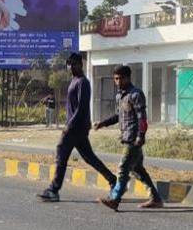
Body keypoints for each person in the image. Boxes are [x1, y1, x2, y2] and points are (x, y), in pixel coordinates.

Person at [37, 53, 117, 202]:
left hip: (76, 127)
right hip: (77, 127)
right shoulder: (74, 81)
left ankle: (54, 190)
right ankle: (112, 180)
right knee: (89, 158)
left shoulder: (83, 82)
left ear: (80, 64)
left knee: (62, 153)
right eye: (69, 65)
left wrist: (69, 126)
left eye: (73, 64)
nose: (70, 67)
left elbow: (81, 108)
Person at [95, 65, 163, 211]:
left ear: (127, 78)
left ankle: (115, 198)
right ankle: (156, 198)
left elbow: (142, 118)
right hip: (126, 137)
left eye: (120, 78)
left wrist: (141, 136)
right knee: (138, 170)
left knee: (123, 167)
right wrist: (103, 123)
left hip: (134, 139)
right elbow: (118, 116)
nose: (118, 82)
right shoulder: (120, 96)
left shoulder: (136, 94)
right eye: (115, 79)